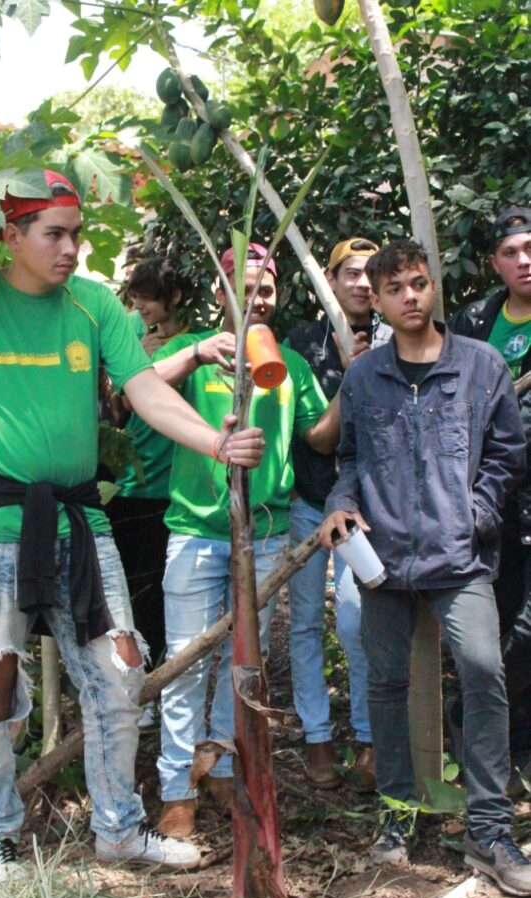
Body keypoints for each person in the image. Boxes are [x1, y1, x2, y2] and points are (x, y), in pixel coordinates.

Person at [0, 169, 265, 879]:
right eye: (54, 234)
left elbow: (142, 391)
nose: (72, 248)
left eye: (76, 232)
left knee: (118, 672)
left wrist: (215, 441)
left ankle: (118, 832)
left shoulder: (93, 305)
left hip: (81, 523)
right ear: (10, 236)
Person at [319, 238, 531, 898]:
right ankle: (398, 815)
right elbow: (348, 459)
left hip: (459, 554)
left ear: (431, 287)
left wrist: (476, 511)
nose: (410, 298)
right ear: (376, 301)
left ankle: (489, 830)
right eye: (395, 290)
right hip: (382, 560)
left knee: (482, 671)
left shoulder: (480, 366)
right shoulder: (364, 376)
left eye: (418, 284)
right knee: (385, 684)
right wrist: (340, 506)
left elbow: (506, 454)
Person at [153, 243, 342, 839]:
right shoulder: (198, 357)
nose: (256, 298)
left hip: (263, 534)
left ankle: (225, 768)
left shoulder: (288, 363)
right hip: (195, 531)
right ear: (220, 290)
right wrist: (192, 352)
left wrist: (355, 379)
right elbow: (135, 389)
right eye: (244, 286)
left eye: (266, 288)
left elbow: (317, 436)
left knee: (244, 664)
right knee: (186, 661)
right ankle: (176, 788)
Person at [284, 238, 391, 791]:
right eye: (349, 274)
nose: (362, 285)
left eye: (370, 274)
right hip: (308, 499)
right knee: (303, 623)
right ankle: (317, 737)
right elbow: (315, 440)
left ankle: (371, 738)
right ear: (326, 281)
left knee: (355, 619)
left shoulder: (395, 334)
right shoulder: (301, 343)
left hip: (365, 508)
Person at [448, 206, 531, 791]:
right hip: (493, 497)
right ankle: (508, 750)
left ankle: (466, 713)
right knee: (498, 613)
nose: (524, 261)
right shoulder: (477, 319)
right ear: (494, 262)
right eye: (512, 252)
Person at [107, 257, 193, 671]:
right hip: (128, 477)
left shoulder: (197, 340)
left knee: (157, 589)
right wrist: (139, 358)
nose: (141, 311)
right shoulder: (130, 329)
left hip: (170, 485)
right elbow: (118, 401)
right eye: (136, 301)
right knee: (126, 590)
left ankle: (155, 676)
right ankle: (131, 676)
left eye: (149, 303)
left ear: (173, 297)